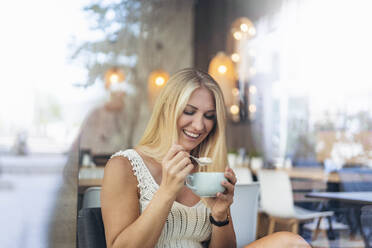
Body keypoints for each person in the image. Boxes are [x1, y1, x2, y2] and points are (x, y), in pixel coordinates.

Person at [101, 68, 311, 248]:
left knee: (292, 242)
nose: (200, 125)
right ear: (167, 110)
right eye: (189, 112)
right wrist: (166, 191)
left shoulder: (206, 168)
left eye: (209, 116)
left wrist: (220, 215)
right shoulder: (124, 166)